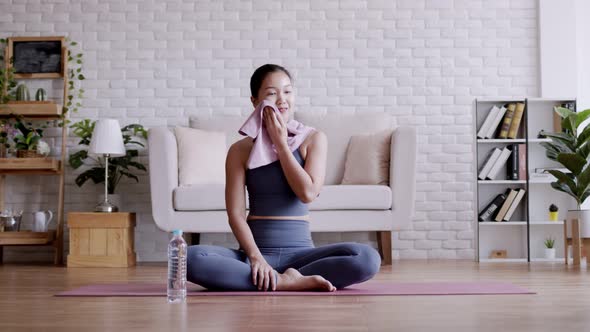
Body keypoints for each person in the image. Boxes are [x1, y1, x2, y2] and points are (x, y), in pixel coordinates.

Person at [186, 64, 381, 291]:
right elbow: (236, 214)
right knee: (187, 258)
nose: (282, 100)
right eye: (271, 93)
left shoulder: (313, 139)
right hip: (255, 257)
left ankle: (274, 281)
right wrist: (256, 258)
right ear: (255, 101)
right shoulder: (240, 150)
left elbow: (307, 193)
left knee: (366, 258)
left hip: (302, 258)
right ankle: (286, 282)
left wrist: (281, 144)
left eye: (287, 92)